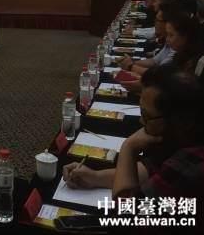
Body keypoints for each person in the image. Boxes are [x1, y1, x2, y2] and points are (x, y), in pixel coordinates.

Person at [63, 65, 204, 203]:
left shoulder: (191, 165)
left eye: (147, 115)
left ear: (184, 122)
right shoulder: (181, 135)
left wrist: (128, 148)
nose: (141, 121)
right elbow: (150, 170)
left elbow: (125, 212)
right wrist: (96, 177)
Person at [119, 2, 175, 75]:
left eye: (157, 20)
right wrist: (131, 62)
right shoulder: (170, 42)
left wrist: (131, 66)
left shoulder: (176, 49)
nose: (155, 22)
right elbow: (154, 61)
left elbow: (159, 75)